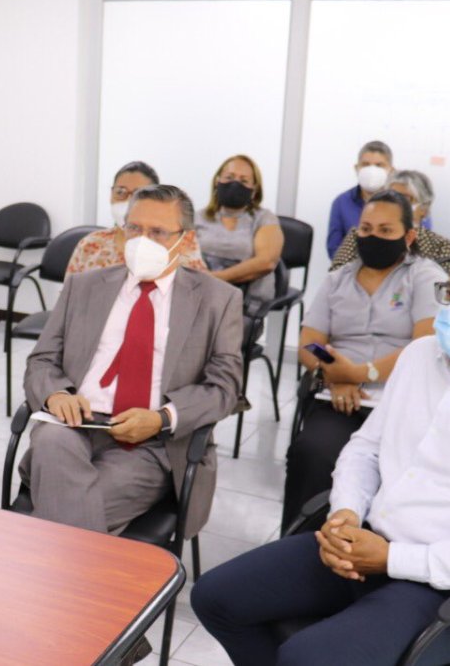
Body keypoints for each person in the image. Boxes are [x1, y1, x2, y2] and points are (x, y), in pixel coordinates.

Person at [192, 239, 450, 666]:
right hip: (366, 547)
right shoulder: (422, 356)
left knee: (307, 658)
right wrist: (344, 514)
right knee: (215, 598)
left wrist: (394, 559)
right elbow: (366, 449)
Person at [21, 184, 242, 536]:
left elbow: (224, 388)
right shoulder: (84, 286)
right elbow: (42, 359)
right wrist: (56, 395)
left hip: (153, 445)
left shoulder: (218, 300)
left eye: (157, 232)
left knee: (63, 509)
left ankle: (36, 558)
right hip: (76, 424)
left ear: (183, 240)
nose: (142, 240)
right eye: (134, 229)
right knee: (50, 441)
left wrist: (161, 419)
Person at [284, 190, 446, 529]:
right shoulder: (336, 281)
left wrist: (361, 372)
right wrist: (335, 376)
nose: (374, 237)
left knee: (398, 467)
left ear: (409, 235)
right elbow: (309, 344)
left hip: (402, 399)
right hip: (340, 397)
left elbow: (426, 344)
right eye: (366, 229)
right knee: (312, 452)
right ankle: (301, 541)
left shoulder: (424, 276)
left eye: (386, 231)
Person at [66, 161, 207, 274]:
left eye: (139, 193)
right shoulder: (91, 244)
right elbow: (70, 302)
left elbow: (200, 293)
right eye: (120, 191)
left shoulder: (177, 243)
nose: (128, 200)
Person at [195, 154, 284, 316]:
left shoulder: (264, 219)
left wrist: (217, 278)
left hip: (244, 307)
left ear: (254, 189)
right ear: (217, 181)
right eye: (229, 177)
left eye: (243, 181)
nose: (235, 184)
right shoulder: (199, 218)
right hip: (199, 299)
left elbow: (267, 262)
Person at [330, 169, 450, 273]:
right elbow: (335, 277)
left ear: (424, 208)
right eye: (391, 198)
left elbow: (442, 291)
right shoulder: (359, 235)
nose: (396, 205)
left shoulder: (441, 246)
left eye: (405, 199)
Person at [326, 140, 394, 258]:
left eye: (379, 165)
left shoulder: (405, 203)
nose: (372, 170)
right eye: (366, 164)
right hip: (351, 272)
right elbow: (334, 249)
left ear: (391, 170)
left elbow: (417, 248)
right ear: (357, 168)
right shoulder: (341, 202)